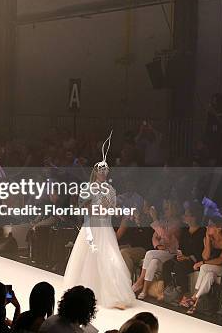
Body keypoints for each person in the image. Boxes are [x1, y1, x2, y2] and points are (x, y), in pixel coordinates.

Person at [63, 131, 135, 309]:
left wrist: (110, 208)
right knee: (89, 259)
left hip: (105, 227)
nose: (103, 173)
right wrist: (98, 208)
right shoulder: (89, 187)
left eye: (106, 171)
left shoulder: (110, 189)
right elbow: (84, 207)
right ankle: (86, 292)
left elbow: (112, 208)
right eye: (101, 171)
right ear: (96, 172)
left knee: (110, 258)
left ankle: (115, 294)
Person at [181, 216, 222, 314]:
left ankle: (194, 295)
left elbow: (221, 260)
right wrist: (208, 241)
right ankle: (195, 303)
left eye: (210, 225)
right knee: (209, 276)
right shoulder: (207, 238)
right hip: (211, 269)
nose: (207, 227)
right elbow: (205, 256)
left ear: (219, 228)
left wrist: (203, 263)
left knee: (204, 267)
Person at [132, 199, 182, 300]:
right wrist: (157, 245)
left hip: (172, 252)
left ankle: (140, 280)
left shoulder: (177, 223)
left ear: (173, 210)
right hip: (161, 251)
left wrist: (154, 218)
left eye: (167, 209)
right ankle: (144, 290)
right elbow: (155, 237)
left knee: (149, 254)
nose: (165, 211)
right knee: (153, 262)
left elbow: (165, 236)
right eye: (164, 209)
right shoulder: (163, 221)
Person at [161, 204, 205, 302]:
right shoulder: (185, 231)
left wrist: (188, 257)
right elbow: (181, 246)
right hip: (183, 257)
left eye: (187, 215)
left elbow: (200, 250)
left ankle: (185, 293)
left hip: (194, 260)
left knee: (180, 267)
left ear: (194, 217)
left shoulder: (202, 232)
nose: (184, 217)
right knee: (166, 265)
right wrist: (180, 255)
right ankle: (169, 291)